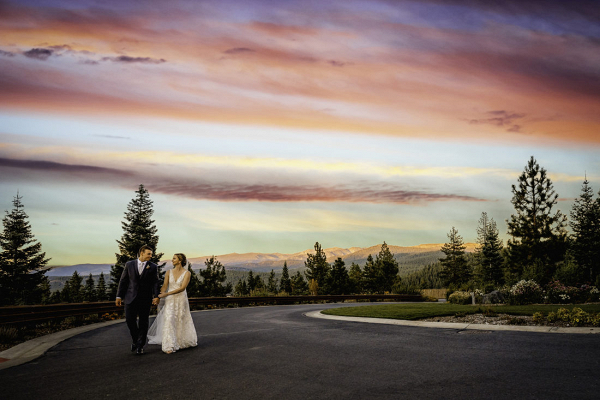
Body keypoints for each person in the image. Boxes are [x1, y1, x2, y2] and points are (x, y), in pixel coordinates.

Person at [147, 253, 198, 354]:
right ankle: (169, 345)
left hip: (181, 299)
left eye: (174, 258)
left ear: (180, 260)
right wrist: (158, 296)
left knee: (180, 319)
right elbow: (165, 286)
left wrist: (167, 294)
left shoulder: (187, 273)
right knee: (169, 319)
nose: (172, 260)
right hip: (170, 300)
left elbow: (182, 288)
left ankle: (180, 341)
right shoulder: (168, 272)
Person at [116, 245, 160, 355]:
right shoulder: (129, 264)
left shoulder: (153, 267)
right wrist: (119, 296)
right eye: (148, 254)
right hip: (130, 298)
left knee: (143, 322)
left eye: (151, 254)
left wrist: (156, 296)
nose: (151, 256)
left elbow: (155, 282)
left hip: (145, 299)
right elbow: (123, 281)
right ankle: (136, 340)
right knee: (129, 320)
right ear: (141, 253)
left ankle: (140, 345)